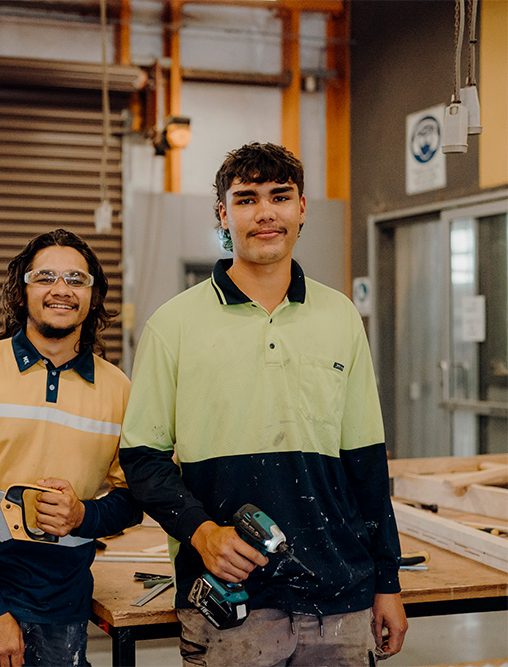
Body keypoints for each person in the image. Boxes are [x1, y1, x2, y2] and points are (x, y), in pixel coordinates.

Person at [118, 142, 408, 666]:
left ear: (301, 209)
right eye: (247, 199)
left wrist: (386, 581)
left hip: (338, 599)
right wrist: (202, 534)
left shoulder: (340, 317)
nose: (265, 212)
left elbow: (366, 464)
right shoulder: (173, 325)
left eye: (280, 196)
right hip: (230, 607)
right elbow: (142, 459)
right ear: (223, 214)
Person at [0, 228, 142, 667]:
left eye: (76, 280)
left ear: (93, 296)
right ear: (21, 292)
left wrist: (83, 514)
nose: (61, 289)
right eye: (45, 277)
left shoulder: (118, 388)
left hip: (62, 601)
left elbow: (132, 500)